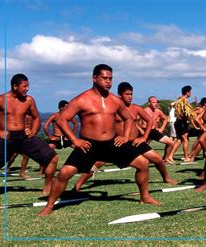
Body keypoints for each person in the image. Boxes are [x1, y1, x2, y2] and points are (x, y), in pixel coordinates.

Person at [38, 64, 159, 216]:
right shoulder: (82, 99)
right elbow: (62, 120)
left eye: (110, 79)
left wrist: (125, 136)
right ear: (95, 78)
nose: (108, 82)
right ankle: (49, 206)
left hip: (111, 142)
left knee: (143, 164)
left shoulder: (115, 100)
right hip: (89, 144)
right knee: (64, 173)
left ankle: (145, 197)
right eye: (104, 78)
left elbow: (128, 118)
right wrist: (75, 140)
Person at [73, 82, 177, 191]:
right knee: (98, 162)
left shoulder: (136, 108)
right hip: (118, 142)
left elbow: (149, 121)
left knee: (158, 160)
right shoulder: (113, 109)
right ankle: (78, 186)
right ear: (120, 95)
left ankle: (166, 178)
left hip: (136, 142)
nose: (130, 97)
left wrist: (144, 137)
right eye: (127, 94)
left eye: (131, 94)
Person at [0, 74, 58, 194]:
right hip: (5, 138)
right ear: (15, 86)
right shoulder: (0, 100)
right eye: (24, 86)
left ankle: (47, 187)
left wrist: (33, 131)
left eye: (28, 86)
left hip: (23, 137)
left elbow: (36, 118)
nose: (27, 89)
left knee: (53, 158)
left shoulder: (29, 100)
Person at [140, 96, 175, 163]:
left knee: (171, 143)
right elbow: (135, 120)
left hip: (154, 131)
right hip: (145, 130)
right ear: (149, 103)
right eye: (153, 102)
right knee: (139, 147)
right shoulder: (144, 110)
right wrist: (140, 129)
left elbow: (165, 118)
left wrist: (162, 128)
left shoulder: (158, 111)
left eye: (156, 102)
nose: (155, 104)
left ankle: (166, 159)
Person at [171, 85, 197, 161]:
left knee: (179, 140)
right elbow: (186, 114)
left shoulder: (179, 100)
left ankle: (170, 156)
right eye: (190, 92)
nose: (191, 93)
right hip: (181, 122)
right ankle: (186, 157)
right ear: (187, 92)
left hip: (178, 122)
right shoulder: (183, 101)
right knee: (185, 140)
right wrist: (194, 122)